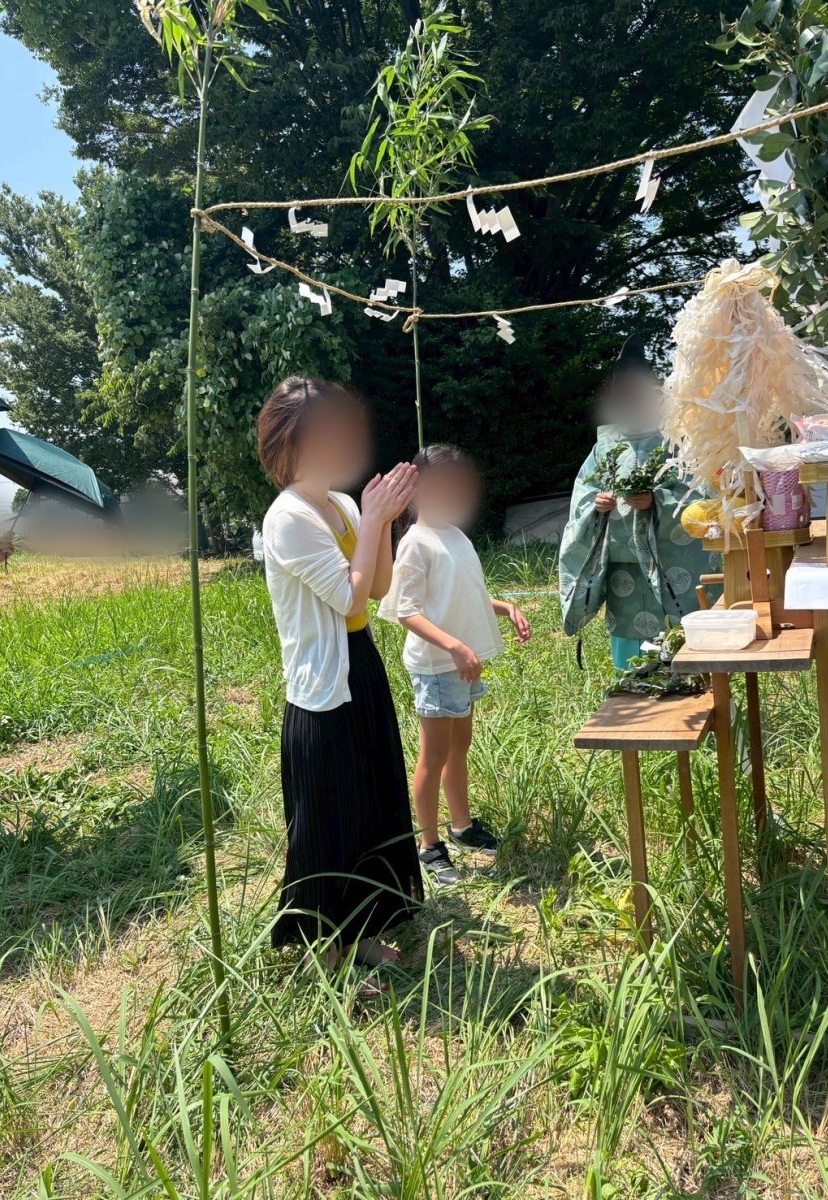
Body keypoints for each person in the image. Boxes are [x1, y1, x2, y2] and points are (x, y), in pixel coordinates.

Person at [259, 376, 424, 982]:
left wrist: (381, 522)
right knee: (328, 819)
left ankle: (363, 932)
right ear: (288, 442)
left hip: (362, 665)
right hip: (322, 686)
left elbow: (377, 590)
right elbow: (348, 596)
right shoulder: (289, 517)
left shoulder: (344, 505)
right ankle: (323, 950)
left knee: (372, 805)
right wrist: (376, 517)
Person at [378, 445, 531, 886]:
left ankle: (461, 826)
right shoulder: (415, 542)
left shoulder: (456, 536)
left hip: (464, 663)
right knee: (434, 754)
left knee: (460, 745)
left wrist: (504, 608)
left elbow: (463, 593)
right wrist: (455, 647)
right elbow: (406, 611)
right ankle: (428, 846)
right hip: (438, 666)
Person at [559, 339, 717, 669]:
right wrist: (597, 505)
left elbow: (700, 494)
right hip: (624, 568)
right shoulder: (604, 446)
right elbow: (583, 496)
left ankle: (689, 685)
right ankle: (632, 688)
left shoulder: (676, 439)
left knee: (682, 648)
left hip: (671, 562)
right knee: (631, 655)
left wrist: (657, 501)